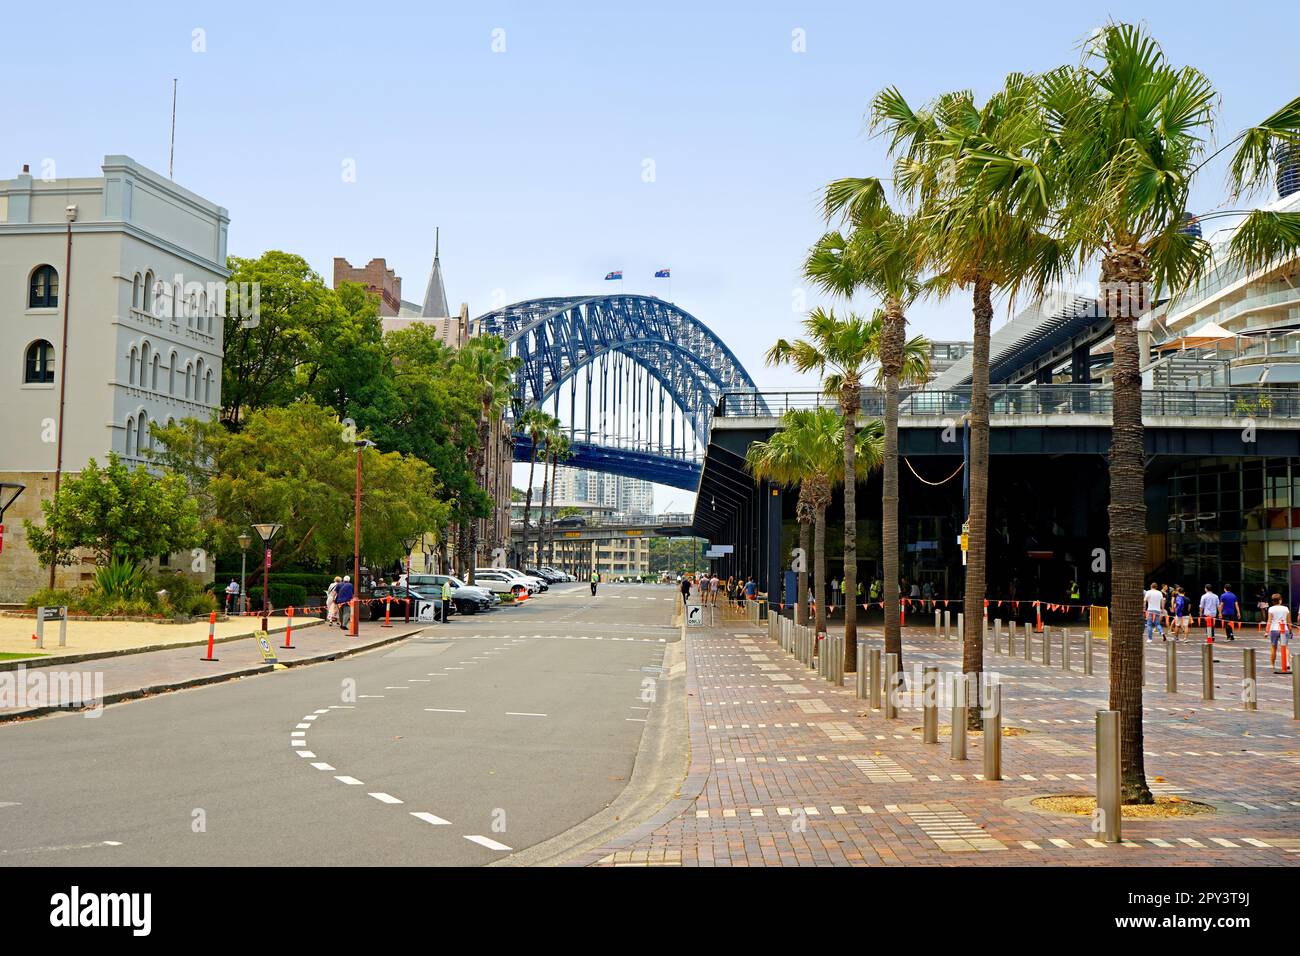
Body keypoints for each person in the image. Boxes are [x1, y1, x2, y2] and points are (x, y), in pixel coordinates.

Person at [1265, 593, 1291, 672]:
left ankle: (1272, 665)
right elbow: (1289, 621)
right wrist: (1290, 630)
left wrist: (1266, 632)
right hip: (1284, 629)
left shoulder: (1271, 609)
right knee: (1286, 646)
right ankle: (1287, 663)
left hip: (1274, 629)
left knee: (1273, 647)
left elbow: (1269, 621)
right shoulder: (1286, 608)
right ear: (1280, 600)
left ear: (1273, 601)